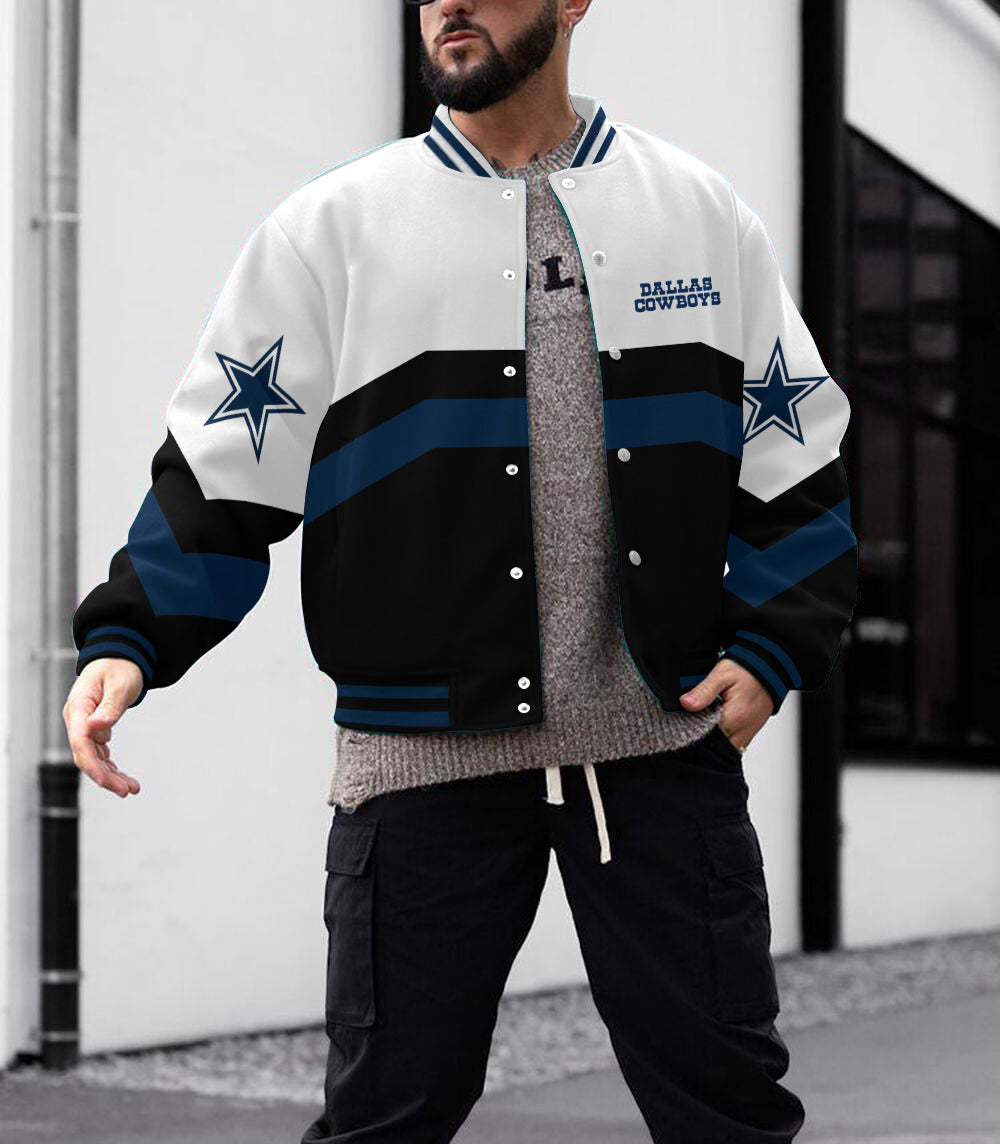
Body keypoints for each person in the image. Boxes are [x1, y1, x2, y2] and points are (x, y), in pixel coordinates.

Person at [63, 1, 858, 1140]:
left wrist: (774, 644)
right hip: (418, 761)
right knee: (385, 1120)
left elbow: (796, 451)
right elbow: (222, 467)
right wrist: (132, 637)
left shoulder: (696, 214)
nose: (448, 2)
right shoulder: (330, 229)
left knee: (729, 1116)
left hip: (658, 752)